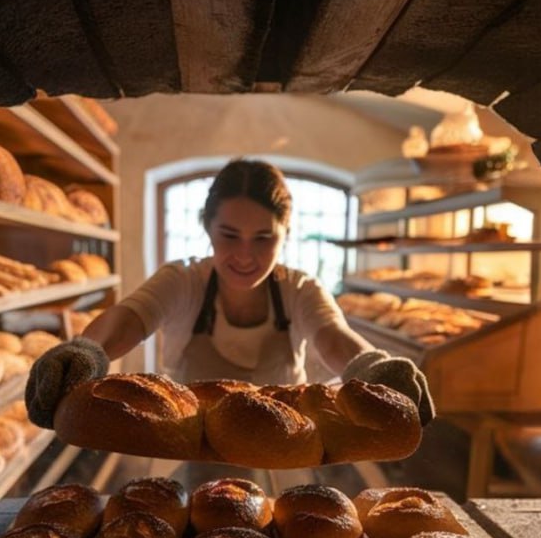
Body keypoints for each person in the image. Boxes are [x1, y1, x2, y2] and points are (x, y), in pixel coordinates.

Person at [25, 158, 435, 430]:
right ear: (207, 228)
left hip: (285, 447)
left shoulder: (299, 289)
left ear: (285, 234)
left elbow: (332, 338)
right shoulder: (184, 281)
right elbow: (130, 319)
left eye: (263, 238)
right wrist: (86, 352)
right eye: (229, 235)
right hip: (192, 445)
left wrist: (371, 368)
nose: (245, 254)